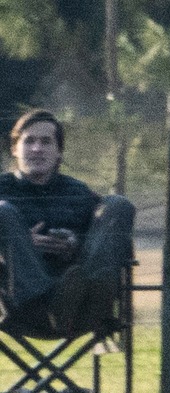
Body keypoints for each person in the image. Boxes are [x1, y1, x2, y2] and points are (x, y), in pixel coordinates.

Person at [0, 109, 135, 337]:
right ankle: (49, 300)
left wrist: (75, 243)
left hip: (81, 308)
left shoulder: (78, 192)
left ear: (59, 152)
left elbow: (101, 242)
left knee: (117, 205)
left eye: (46, 142)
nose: (37, 149)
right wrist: (18, 242)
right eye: (29, 141)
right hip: (23, 310)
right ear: (14, 149)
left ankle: (85, 298)